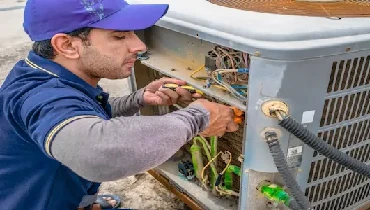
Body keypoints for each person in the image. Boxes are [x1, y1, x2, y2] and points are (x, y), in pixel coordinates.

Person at [0, 0, 239, 210]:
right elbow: (96, 151)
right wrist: (198, 118)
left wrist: (136, 99)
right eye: (119, 36)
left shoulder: (42, 72)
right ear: (67, 45)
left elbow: (82, 113)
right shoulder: (39, 95)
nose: (139, 46)